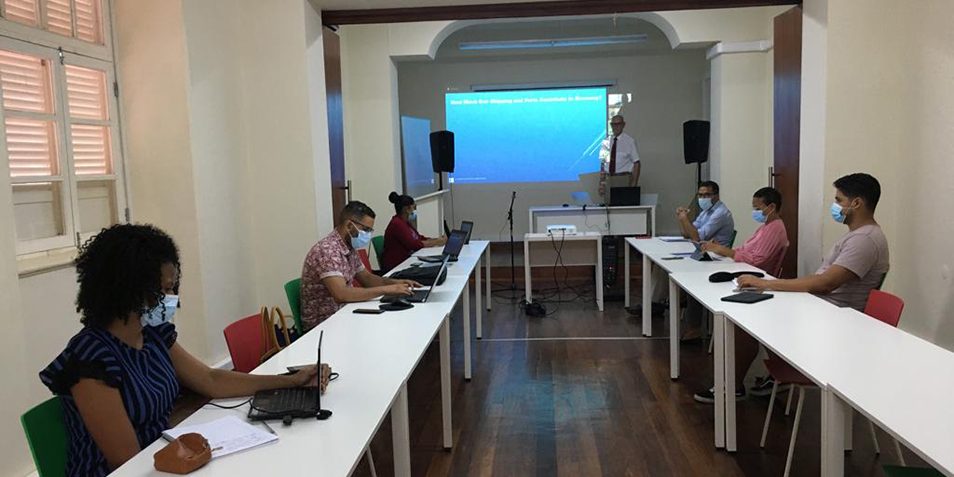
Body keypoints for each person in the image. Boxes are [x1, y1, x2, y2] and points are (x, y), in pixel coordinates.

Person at [39, 224, 326, 476]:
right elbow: (125, 462)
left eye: (173, 287)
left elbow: (211, 380)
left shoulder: (152, 334)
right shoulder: (89, 358)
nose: (171, 298)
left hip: (167, 460)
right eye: (162, 290)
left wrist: (291, 381)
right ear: (125, 288)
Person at [691, 187, 791, 403]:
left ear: (771, 207)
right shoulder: (766, 227)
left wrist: (725, 251)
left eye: (758, 208)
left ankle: (733, 386)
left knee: (739, 330)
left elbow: (756, 260)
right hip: (749, 276)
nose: (755, 212)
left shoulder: (775, 228)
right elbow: (747, 251)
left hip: (758, 283)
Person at [737, 173, 889, 310]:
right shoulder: (858, 235)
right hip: (821, 306)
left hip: (833, 314)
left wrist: (765, 284)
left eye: (839, 200)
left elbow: (825, 284)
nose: (834, 206)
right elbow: (821, 279)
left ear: (856, 203)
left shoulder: (864, 239)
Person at [301, 201, 421, 330]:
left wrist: (397, 283)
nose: (368, 235)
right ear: (349, 225)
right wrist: (388, 290)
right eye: (366, 230)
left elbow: (367, 279)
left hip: (345, 314)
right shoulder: (327, 251)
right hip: (324, 325)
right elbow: (341, 294)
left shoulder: (348, 247)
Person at [381, 191, 447, 272]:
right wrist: (436, 242)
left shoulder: (405, 222)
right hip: (397, 266)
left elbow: (418, 238)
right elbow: (414, 245)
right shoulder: (397, 224)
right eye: (414, 207)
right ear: (407, 209)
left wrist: (436, 239)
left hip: (406, 261)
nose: (414, 210)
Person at [677, 181, 735, 246]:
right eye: (700, 195)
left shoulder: (720, 213)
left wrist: (684, 219)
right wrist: (682, 218)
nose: (702, 198)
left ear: (716, 195)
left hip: (716, 254)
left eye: (707, 195)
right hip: (704, 249)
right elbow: (687, 234)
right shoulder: (706, 211)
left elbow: (697, 238)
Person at [599, 115, 640, 198]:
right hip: (608, 179)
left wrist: (634, 184)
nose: (615, 127)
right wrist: (601, 183)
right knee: (608, 206)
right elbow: (603, 164)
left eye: (618, 124)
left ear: (623, 125)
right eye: (613, 124)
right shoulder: (606, 142)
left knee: (622, 206)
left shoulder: (629, 141)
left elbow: (637, 163)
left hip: (623, 178)